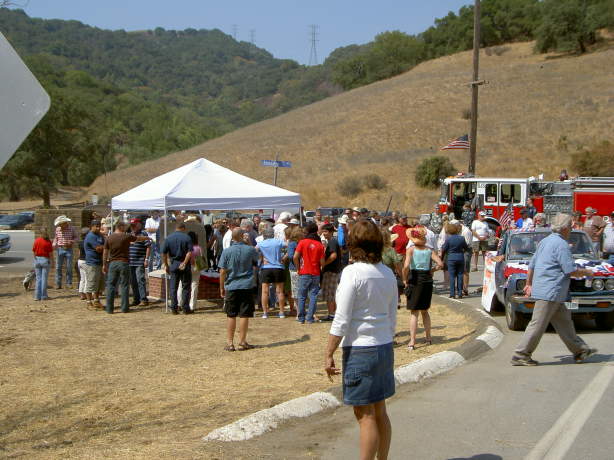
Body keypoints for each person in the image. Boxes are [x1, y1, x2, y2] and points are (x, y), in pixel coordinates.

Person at [324, 219, 397, 460]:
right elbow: (392, 314)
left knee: (365, 416)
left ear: (353, 243)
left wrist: (329, 351)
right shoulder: (387, 272)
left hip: (360, 349)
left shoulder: (352, 273)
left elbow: (342, 319)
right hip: (384, 345)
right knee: (380, 410)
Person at [511, 213, 598, 366]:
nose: (571, 229)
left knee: (565, 323)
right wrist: (587, 272)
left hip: (551, 291)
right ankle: (521, 355)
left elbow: (532, 265)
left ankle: (580, 351)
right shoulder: (562, 244)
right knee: (537, 324)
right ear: (564, 228)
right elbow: (570, 270)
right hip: (552, 291)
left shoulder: (545, 241)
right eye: (570, 226)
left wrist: (529, 283)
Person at [402, 227, 443, 350]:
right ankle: (428, 337)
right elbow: (440, 264)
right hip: (427, 279)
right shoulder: (429, 251)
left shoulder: (411, 250)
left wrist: (405, 279)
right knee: (425, 310)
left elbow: (406, 266)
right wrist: (432, 270)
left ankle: (412, 341)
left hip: (415, 278)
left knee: (414, 312)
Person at [219, 228, 259, 351]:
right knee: (244, 314)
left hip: (231, 285)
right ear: (243, 236)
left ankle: (230, 343)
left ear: (232, 238)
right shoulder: (250, 249)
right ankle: (242, 341)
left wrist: (221, 287)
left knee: (231, 315)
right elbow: (256, 260)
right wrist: (247, 243)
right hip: (246, 285)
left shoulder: (227, 251)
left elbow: (222, 271)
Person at [103, 221, 149, 314]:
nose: (126, 229)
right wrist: (147, 237)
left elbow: (105, 252)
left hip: (112, 263)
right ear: (121, 227)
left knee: (111, 285)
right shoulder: (126, 236)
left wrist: (104, 264)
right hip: (123, 262)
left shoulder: (109, 237)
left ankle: (109, 309)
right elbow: (138, 239)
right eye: (124, 227)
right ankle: (124, 308)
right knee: (124, 285)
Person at [293, 222, 325, 324]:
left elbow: (295, 257)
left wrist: (298, 268)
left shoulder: (302, 242)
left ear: (307, 231)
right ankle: (310, 318)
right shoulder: (319, 244)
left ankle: (301, 318)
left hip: (304, 272)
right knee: (313, 296)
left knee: (302, 296)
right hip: (315, 273)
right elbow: (322, 262)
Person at [161, 222, 193, 315]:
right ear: (183, 228)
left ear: (176, 228)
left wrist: (166, 264)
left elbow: (164, 253)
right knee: (186, 287)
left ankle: (174, 308)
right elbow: (189, 252)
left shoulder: (168, 238)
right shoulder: (187, 237)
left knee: (173, 287)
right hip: (184, 265)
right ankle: (185, 308)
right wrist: (184, 262)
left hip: (174, 264)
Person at [256, 228, 287, 318]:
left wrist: (262, 258)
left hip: (266, 268)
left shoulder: (261, 243)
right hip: (278, 267)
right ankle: (281, 312)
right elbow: (289, 246)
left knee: (265, 291)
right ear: (272, 234)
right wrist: (284, 257)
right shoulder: (278, 242)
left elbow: (254, 250)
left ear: (264, 235)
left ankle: (265, 312)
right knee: (280, 291)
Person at [441, 222, 469, 299]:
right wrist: (462, 251)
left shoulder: (448, 239)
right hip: (460, 257)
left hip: (451, 258)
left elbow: (444, 250)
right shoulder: (461, 238)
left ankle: (452, 294)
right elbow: (466, 248)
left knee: (452, 276)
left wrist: (442, 258)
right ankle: (460, 293)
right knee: (460, 275)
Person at [128, 218, 151, 307]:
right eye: (132, 225)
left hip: (139, 261)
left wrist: (146, 259)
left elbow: (148, 247)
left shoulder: (143, 234)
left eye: (134, 225)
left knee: (140, 280)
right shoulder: (129, 234)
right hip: (131, 261)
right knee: (133, 281)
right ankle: (136, 299)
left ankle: (143, 299)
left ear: (138, 225)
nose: (133, 227)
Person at [321, 223, 342, 321]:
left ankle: (331, 314)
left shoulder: (332, 241)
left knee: (330, 293)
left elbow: (333, 256)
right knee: (331, 293)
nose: (324, 233)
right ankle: (334, 313)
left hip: (332, 271)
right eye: (323, 231)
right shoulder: (331, 241)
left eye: (326, 231)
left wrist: (324, 263)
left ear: (331, 232)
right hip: (333, 270)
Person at [83, 220, 105, 309]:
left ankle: (96, 301)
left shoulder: (99, 235)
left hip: (99, 262)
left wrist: (105, 246)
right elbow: (98, 248)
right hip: (92, 263)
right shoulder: (90, 236)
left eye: (99, 226)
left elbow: (103, 246)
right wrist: (106, 247)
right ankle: (88, 302)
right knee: (91, 283)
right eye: (96, 226)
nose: (98, 228)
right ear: (91, 226)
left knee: (99, 284)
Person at [52, 215, 77, 289]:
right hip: (60, 249)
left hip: (69, 249)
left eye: (61, 224)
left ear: (65, 223)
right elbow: (56, 238)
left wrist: (72, 241)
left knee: (69, 267)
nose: (60, 225)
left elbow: (76, 237)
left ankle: (69, 283)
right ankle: (58, 283)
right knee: (58, 267)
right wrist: (54, 244)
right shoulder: (57, 229)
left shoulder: (72, 229)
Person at [182, 231, 203, 312]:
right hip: (196, 267)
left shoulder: (186, 247)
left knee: (182, 285)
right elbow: (201, 259)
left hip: (187, 266)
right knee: (194, 286)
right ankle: (192, 305)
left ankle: (180, 303)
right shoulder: (198, 247)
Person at [32, 228, 54, 301]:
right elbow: (51, 254)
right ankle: (43, 296)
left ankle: (36, 296)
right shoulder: (48, 242)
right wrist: (52, 262)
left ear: (40, 233)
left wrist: (36, 259)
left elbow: (34, 251)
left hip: (37, 259)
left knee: (38, 279)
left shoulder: (37, 240)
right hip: (45, 259)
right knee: (44, 279)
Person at [286, 225, 303, 316]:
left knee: (301, 290)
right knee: (296, 290)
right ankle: (298, 312)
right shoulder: (292, 243)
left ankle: (300, 310)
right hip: (294, 269)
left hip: (302, 269)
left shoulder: (301, 242)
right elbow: (291, 256)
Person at [77, 227, 90, 301]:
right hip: (85, 261)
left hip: (80, 261)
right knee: (87, 278)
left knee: (82, 279)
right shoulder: (87, 242)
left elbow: (79, 253)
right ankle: (86, 293)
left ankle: (81, 294)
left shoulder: (80, 242)